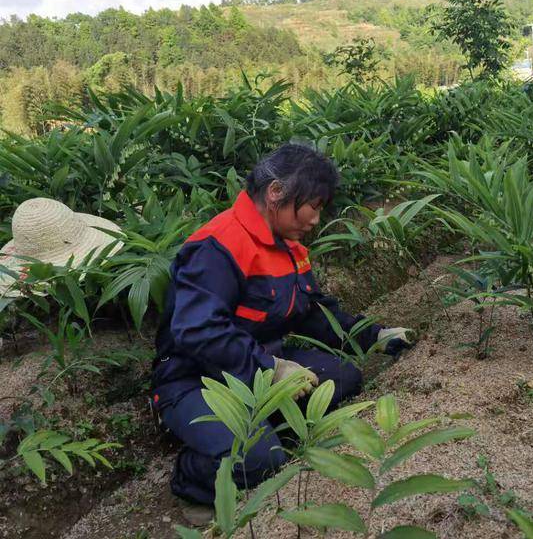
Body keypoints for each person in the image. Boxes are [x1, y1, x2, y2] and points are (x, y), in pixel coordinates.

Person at [152, 143, 412, 523]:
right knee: (260, 460)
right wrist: (271, 367)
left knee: (342, 377)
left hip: (257, 366)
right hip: (194, 380)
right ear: (276, 193)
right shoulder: (218, 246)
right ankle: (193, 478)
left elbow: (312, 312)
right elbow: (199, 331)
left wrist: (374, 336)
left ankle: (259, 429)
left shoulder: (288, 246)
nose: (315, 219)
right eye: (315, 205)